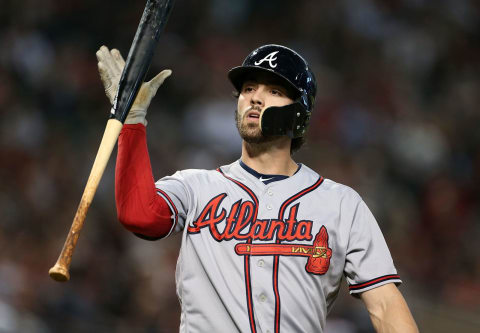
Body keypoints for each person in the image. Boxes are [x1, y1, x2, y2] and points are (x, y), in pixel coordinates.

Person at [96, 44, 419, 333]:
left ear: (299, 112)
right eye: (248, 88)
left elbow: (385, 305)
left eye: (275, 90)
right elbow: (139, 215)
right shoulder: (196, 186)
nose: (254, 96)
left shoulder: (341, 204)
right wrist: (133, 121)